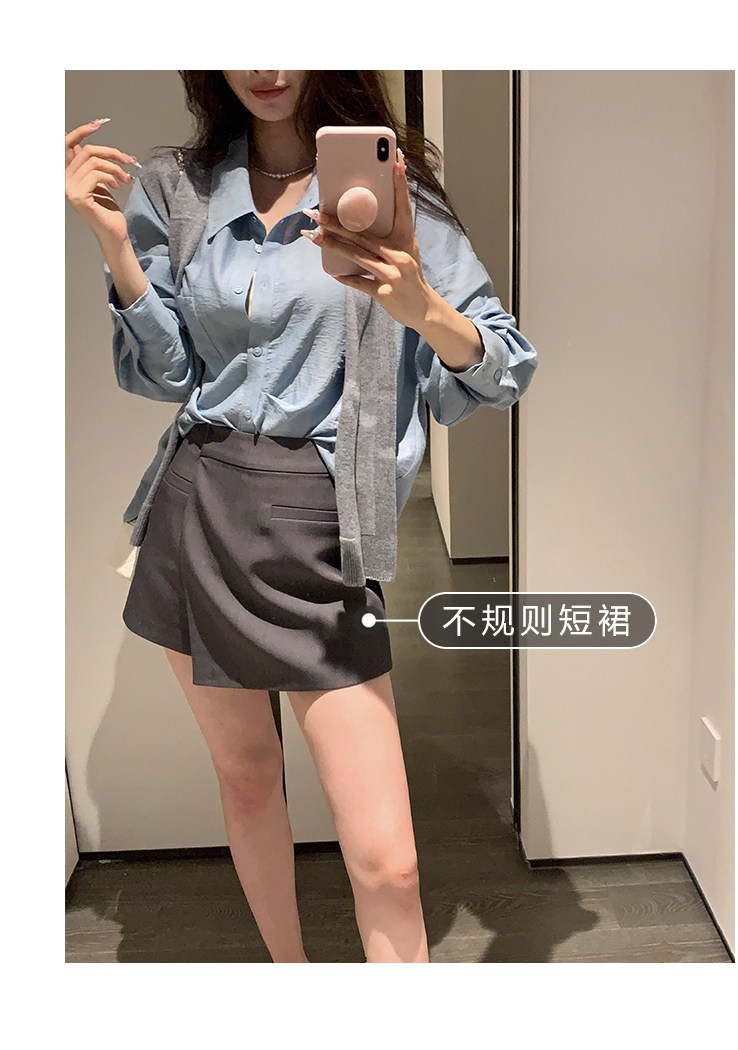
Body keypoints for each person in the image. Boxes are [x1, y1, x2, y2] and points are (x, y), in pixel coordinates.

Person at [65, 70, 537, 964]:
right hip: (198, 504)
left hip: (323, 523)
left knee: (390, 862)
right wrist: (115, 246)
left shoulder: (396, 193)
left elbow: (504, 366)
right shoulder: (178, 189)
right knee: (247, 778)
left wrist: (422, 309)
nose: (267, 63)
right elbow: (166, 374)